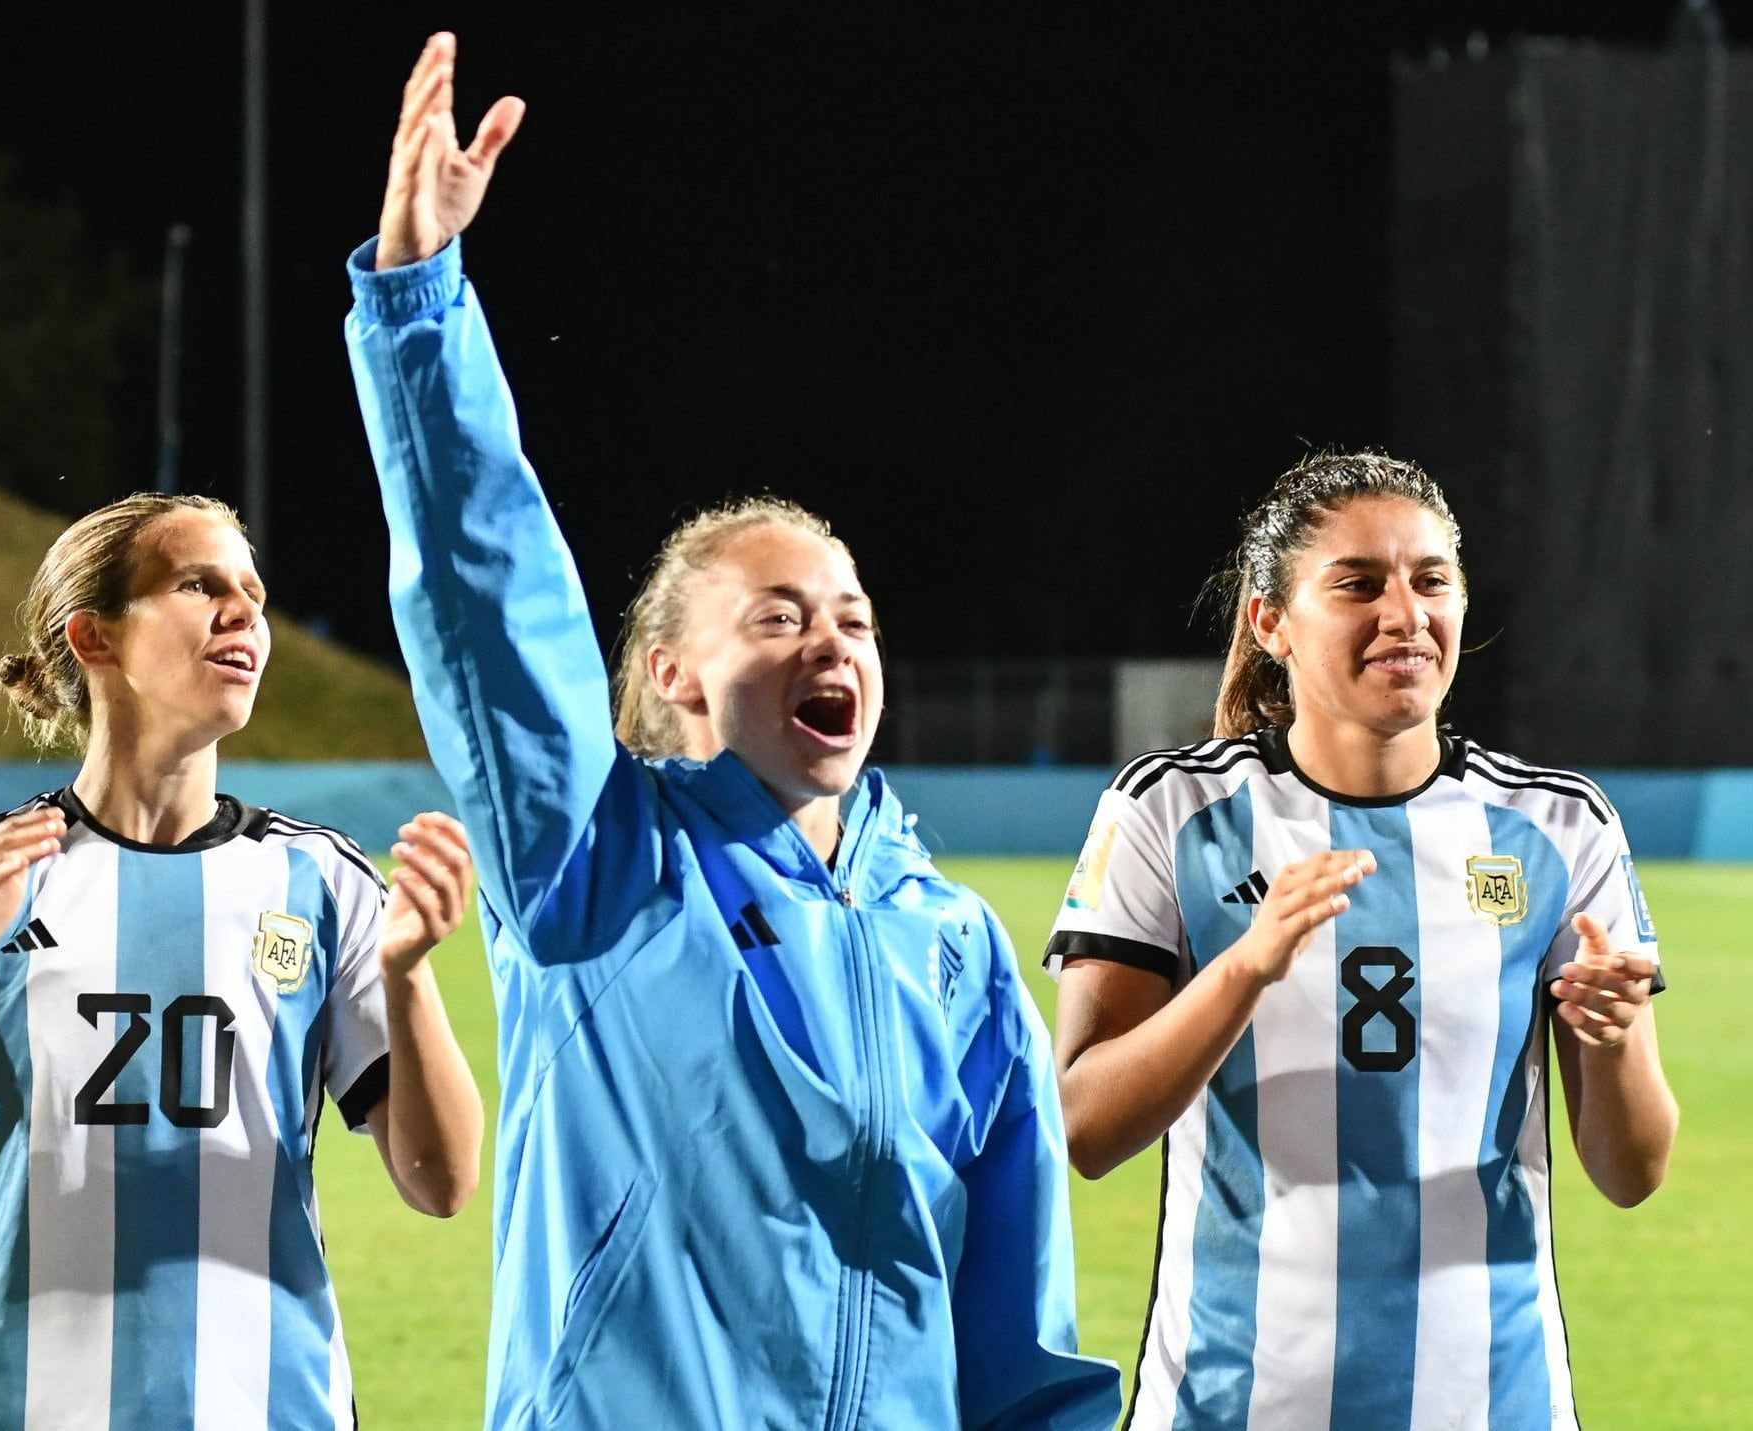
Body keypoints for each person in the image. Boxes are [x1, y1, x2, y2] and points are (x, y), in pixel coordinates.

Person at [341, 31, 1120, 1431]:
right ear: (674, 674)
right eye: (777, 616)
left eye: (853, 618)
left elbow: (1018, 1326)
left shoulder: (954, 946)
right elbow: (491, 602)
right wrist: (418, 301)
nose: (832, 640)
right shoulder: (598, 870)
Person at [0, 492, 484, 1429]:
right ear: (94, 637)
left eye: (253, 594)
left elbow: (443, 1181)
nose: (244, 614)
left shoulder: (323, 880)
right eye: (200, 585)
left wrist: (406, 974)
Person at [1046, 451, 1679, 1429]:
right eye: (1357, 584)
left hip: (1490, 1401)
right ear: (1270, 622)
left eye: (1430, 580)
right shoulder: (1170, 811)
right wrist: (1243, 969)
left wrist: (1613, 1034)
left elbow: (1630, 1173)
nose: (1404, 613)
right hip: (1232, 1403)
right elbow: (1084, 1129)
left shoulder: (1557, 827)